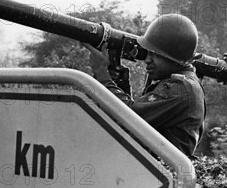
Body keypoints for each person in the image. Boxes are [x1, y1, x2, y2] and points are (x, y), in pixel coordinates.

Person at [85, 13, 205, 158]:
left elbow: (127, 117)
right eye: (147, 53)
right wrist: (117, 78)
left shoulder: (180, 88)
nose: (147, 60)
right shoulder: (185, 84)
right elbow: (140, 120)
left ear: (173, 57)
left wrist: (101, 73)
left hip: (159, 175)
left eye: (154, 54)